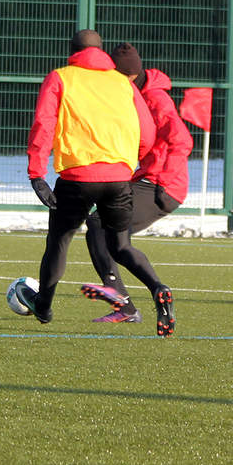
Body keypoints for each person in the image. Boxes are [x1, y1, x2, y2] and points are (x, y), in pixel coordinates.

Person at [19, 29, 177, 336]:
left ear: (72, 51)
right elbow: (146, 130)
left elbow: (44, 124)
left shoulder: (61, 77)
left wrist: (36, 174)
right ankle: (158, 287)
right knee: (121, 245)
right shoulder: (121, 82)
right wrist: (137, 162)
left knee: (59, 242)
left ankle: (44, 306)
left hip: (77, 177)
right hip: (119, 177)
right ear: (101, 51)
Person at [80, 43, 192, 329]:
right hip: (146, 181)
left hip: (161, 186)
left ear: (126, 76)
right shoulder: (133, 94)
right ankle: (154, 292)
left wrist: (161, 181)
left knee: (99, 224)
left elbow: (182, 140)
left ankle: (123, 301)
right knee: (115, 241)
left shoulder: (155, 98)